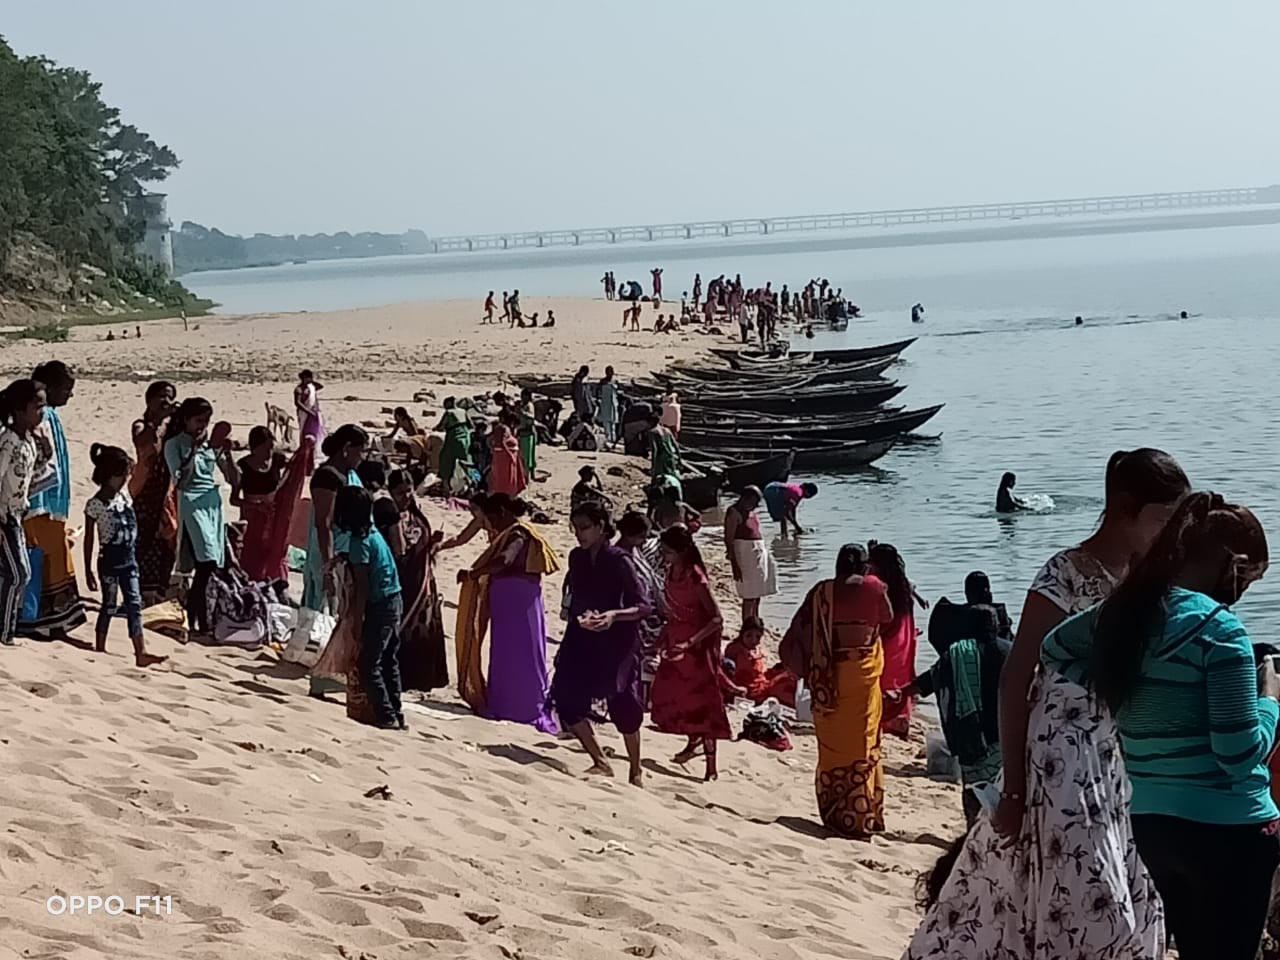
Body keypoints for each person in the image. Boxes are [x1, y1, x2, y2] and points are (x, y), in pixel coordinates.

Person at [903, 448, 1190, 960]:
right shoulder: (1066, 573)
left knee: (1109, 889)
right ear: (1125, 507)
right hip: (1062, 753)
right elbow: (1016, 678)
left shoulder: (1144, 581)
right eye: (1163, 518)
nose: (1170, 532)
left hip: (1120, 758)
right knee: (1089, 897)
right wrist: (1013, 788)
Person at [1042, 493, 1275, 960]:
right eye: (1250, 577)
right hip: (1228, 830)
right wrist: (1269, 698)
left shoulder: (1126, 613)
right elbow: (1237, 754)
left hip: (1150, 822)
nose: (1246, 590)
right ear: (1232, 564)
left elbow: (1054, 649)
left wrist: (1117, 686)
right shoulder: (1222, 631)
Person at [780, 543, 894, 837]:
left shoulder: (821, 592)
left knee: (833, 747)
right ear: (864, 566)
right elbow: (888, 619)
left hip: (829, 679)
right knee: (864, 740)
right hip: (863, 675)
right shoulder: (875, 587)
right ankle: (864, 813)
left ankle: (836, 813)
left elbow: (799, 630)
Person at [551, 502, 650, 784]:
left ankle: (635, 770)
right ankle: (600, 760)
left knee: (623, 706)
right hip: (582, 635)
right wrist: (578, 620)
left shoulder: (620, 560)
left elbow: (642, 606)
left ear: (601, 527)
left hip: (617, 641)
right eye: (575, 528)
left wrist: (612, 616)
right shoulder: (576, 557)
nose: (579, 534)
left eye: (584, 527)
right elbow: (576, 597)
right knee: (565, 696)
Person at [455, 494, 561, 731]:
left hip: (516, 601)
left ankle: (519, 706)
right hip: (512, 601)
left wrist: (473, 574)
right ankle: (510, 702)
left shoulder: (517, 533)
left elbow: (504, 560)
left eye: (492, 518)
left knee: (517, 653)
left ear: (503, 512)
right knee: (508, 652)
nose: (491, 525)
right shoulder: (515, 531)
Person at [898, 599, 1007, 823]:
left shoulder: (956, 656)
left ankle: (974, 831)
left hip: (972, 740)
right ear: (996, 626)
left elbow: (929, 680)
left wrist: (902, 693)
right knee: (1005, 789)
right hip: (1006, 738)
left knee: (975, 793)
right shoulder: (1012, 652)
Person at [651, 524, 734, 780]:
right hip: (676, 644)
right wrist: (659, 642)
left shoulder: (695, 576)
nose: (662, 555)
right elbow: (673, 615)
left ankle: (711, 766)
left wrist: (690, 643)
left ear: (681, 551)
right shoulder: (669, 572)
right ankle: (692, 742)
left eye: (666, 551)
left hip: (697, 649)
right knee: (677, 699)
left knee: (705, 706)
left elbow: (716, 619)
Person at [20, 361, 87, 639]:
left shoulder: (52, 416)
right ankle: (37, 619)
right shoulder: (39, 416)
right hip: (38, 503)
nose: (69, 395)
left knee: (55, 553)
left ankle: (55, 619)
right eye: (66, 389)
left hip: (53, 502)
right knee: (41, 556)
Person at [82, 444, 166, 667]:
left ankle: (140, 651)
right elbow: (89, 539)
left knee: (134, 603)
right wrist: (88, 569)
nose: (123, 480)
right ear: (108, 476)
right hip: (109, 561)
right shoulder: (95, 505)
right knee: (108, 604)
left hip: (129, 560)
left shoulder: (125, 497)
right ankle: (100, 646)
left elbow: (138, 473)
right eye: (120, 475)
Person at [164, 398, 240, 636]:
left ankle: (200, 616)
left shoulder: (211, 445)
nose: (201, 426)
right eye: (198, 421)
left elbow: (233, 479)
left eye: (205, 422)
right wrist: (194, 450)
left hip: (211, 502)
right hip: (190, 501)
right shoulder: (174, 444)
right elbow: (180, 480)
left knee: (210, 564)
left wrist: (226, 454)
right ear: (186, 420)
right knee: (205, 560)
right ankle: (198, 618)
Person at [303, 425, 369, 695]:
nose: (362, 456)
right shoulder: (327, 477)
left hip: (348, 550)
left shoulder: (348, 474)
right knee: (326, 604)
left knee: (342, 606)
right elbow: (323, 523)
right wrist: (328, 564)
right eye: (360, 450)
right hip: (329, 550)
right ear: (346, 448)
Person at [333, 485, 404, 730]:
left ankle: (386, 716)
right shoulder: (373, 534)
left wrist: (357, 620)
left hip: (379, 605)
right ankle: (397, 712)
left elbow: (362, 586)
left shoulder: (359, 542)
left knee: (368, 664)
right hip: (393, 599)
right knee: (388, 661)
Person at [0, 380, 53, 647]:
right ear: (20, 409)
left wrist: (46, 447)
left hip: (17, 515)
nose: (42, 412)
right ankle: (5, 631)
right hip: (3, 517)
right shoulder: (8, 441)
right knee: (18, 573)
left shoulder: (29, 440)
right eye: (37, 406)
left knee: (19, 573)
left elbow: (36, 475)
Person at [386, 469, 447, 692]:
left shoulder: (417, 516)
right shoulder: (388, 516)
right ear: (391, 492)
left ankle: (421, 679)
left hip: (423, 584)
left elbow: (424, 548)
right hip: (402, 582)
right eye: (401, 493)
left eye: (409, 491)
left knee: (423, 632)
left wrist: (433, 544)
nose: (406, 497)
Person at [869, 542, 925, 738]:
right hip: (904, 640)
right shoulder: (901, 585)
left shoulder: (883, 588)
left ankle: (887, 719)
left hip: (889, 640)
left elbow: (884, 620)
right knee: (900, 681)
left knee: (884, 680)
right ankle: (900, 721)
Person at [131, 381, 179, 603]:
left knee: (164, 541)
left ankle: (158, 590)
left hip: (165, 492)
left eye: (169, 397)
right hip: (144, 491)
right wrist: (155, 421)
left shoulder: (171, 429)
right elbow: (142, 442)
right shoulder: (141, 425)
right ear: (149, 400)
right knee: (143, 540)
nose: (165, 401)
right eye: (161, 396)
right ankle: (139, 591)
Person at [616, 510, 666, 708]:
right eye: (643, 536)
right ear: (631, 534)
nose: (646, 540)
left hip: (647, 612)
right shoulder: (621, 557)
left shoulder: (635, 553)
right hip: (635, 614)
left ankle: (643, 699)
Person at [232, 426, 287, 580]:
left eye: (271, 447)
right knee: (252, 554)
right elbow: (234, 499)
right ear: (254, 448)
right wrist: (256, 506)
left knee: (274, 552)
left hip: (273, 515)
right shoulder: (243, 466)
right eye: (266, 448)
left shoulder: (277, 460)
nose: (269, 452)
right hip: (252, 517)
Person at [724, 486, 776, 626]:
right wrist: (734, 564)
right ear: (744, 498)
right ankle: (747, 624)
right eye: (753, 501)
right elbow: (729, 539)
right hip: (745, 556)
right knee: (749, 595)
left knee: (757, 593)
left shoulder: (751, 512)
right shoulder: (734, 512)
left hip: (758, 555)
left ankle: (755, 620)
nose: (755, 505)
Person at [723, 617, 797, 707]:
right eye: (749, 635)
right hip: (750, 690)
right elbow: (726, 673)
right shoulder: (735, 650)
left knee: (790, 674)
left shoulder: (757, 648)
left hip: (762, 682)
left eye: (757, 637)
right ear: (742, 634)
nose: (753, 640)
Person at [434, 398, 472, 492]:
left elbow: (441, 426)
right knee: (466, 462)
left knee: (445, 460)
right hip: (466, 438)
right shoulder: (463, 411)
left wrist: (435, 428)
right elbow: (471, 425)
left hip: (454, 438)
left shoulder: (449, 413)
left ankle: (446, 486)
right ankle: (472, 482)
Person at [488, 411, 526, 497]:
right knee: (508, 477)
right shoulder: (505, 429)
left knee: (500, 476)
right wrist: (510, 455)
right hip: (506, 457)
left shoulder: (499, 428)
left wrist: (492, 450)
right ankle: (508, 493)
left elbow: (491, 440)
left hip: (501, 455)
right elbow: (503, 442)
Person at [647, 414, 682, 493]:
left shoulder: (653, 432)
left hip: (660, 459)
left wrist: (653, 465)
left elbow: (654, 449)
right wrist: (679, 458)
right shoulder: (667, 430)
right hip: (670, 456)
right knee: (672, 477)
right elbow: (676, 445)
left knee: (658, 479)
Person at [294, 370, 325, 449]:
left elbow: (321, 386)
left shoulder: (311, 388)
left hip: (314, 412)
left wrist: (312, 383)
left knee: (316, 430)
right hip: (304, 413)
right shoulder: (299, 389)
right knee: (304, 430)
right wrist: (308, 411)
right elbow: (298, 403)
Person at [516, 389, 539, 476]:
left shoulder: (529, 406)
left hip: (528, 432)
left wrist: (522, 412)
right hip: (522, 432)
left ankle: (529, 475)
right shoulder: (522, 405)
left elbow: (531, 417)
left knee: (528, 456)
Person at [598, 367, 619, 447]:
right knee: (606, 423)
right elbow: (599, 392)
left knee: (613, 423)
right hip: (605, 404)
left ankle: (613, 440)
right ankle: (607, 439)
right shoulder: (602, 382)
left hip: (613, 404)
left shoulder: (615, 381)